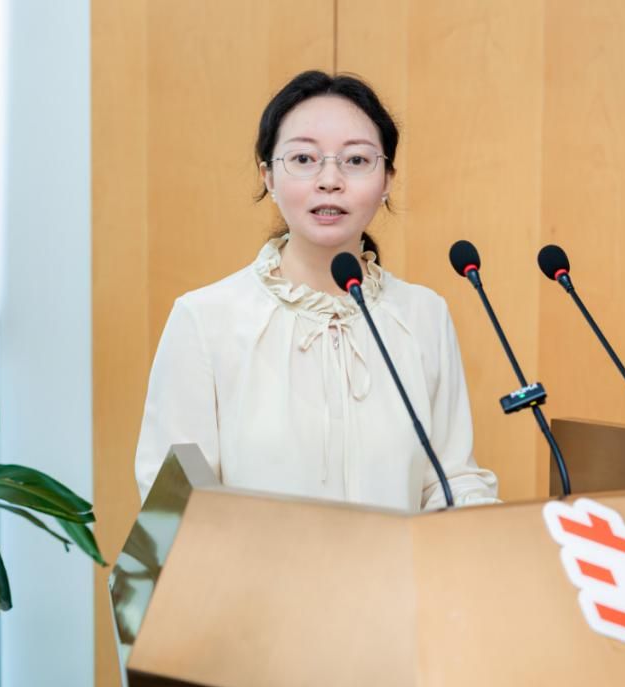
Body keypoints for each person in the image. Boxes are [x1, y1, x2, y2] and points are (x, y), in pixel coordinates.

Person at [135, 70, 498, 512]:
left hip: (394, 561)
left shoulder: (423, 315)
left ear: (387, 180)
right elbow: (173, 502)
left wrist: (477, 518)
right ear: (268, 176)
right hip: (255, 561)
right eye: (304, 159)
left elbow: (451, 479)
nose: (330, 180)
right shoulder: (205, 319)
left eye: (356, 160)